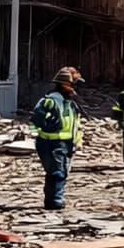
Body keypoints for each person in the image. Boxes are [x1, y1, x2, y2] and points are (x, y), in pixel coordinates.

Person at [30, 66, 84, 210]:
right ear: (65, 84)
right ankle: (55, 201)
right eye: (74, 83)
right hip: (51, 142)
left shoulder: (70, 103)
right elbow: (35, 119)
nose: (76, 88)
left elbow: (74, 125)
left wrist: (77, 141)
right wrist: (47, 126)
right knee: (57, 172)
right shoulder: (52, 100)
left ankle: (52, 200)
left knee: (60, 172)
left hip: (65, 143)